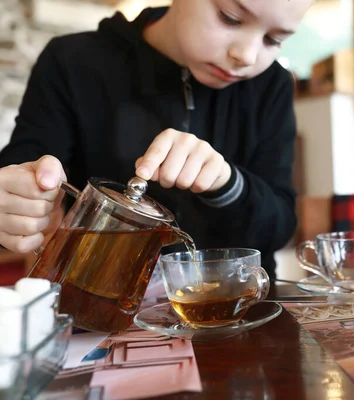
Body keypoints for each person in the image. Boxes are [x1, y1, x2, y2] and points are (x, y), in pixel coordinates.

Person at [0, 0, 315, 279]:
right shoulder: (72, 62)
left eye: (274, 39)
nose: (246, 56)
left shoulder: (271, 85)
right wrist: (19, 199)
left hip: (238, 311)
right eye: (229, 17)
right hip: (98, 309)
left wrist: (228, 184)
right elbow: (20, 172)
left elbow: (279, 227)